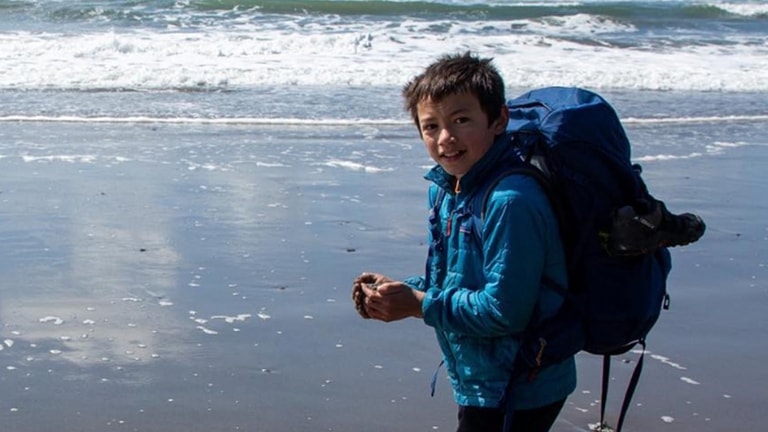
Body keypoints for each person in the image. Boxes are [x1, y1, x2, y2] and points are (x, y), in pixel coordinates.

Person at [352, 52, 576, 432]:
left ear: (499, 119)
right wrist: (400, 292)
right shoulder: (447, 189)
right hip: (480, 375)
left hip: (521, 382)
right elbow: (453, 281)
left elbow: (505, 312)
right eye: (430, 126)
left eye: (461, 120)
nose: (445, 139)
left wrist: (418, 305)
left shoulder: (511, 200)